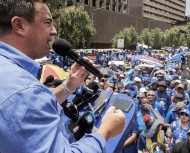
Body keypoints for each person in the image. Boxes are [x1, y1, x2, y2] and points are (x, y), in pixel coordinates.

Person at [0, 1, 125, 152]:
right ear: (19, 25)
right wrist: (106, 131)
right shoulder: (24, 91)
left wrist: (69, 86)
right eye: (47, 23)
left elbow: (24, 109)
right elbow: (24, 100)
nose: (54, 31)